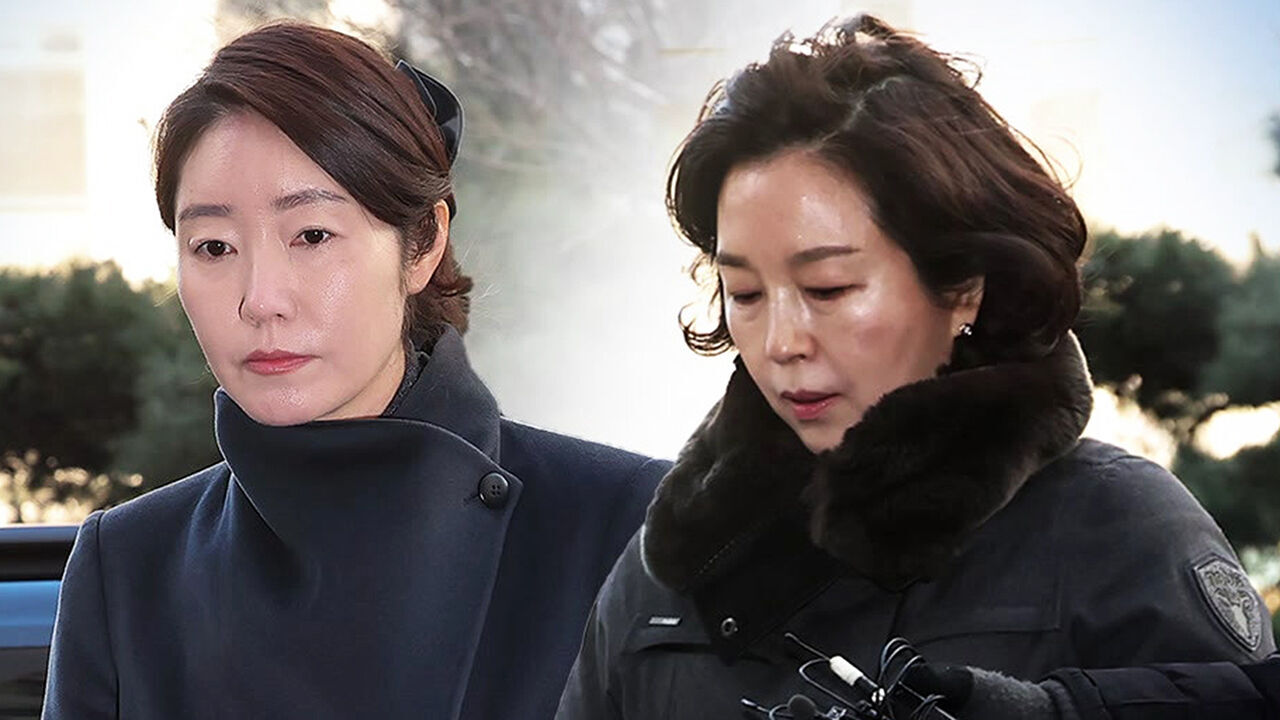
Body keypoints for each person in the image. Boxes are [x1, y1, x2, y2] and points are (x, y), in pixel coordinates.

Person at [556, 15, 1273, 719]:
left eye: (828, 288)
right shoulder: (666, 568)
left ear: (963, 287)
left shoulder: (1118, 532)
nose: (781, 341)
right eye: (744, 293)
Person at [42, 21, 668, 720]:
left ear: (422, 243)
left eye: (312, 235)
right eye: (214, 247)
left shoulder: (628, 525)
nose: (261, 300)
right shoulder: (127, 568)